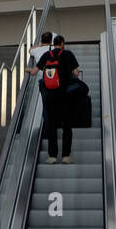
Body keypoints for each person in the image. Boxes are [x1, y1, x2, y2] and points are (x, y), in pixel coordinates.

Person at [31, 34, 79, 163]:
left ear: (53, 43)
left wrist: (28, 70)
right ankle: (66, 156)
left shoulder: (47, 55)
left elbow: (34, 71)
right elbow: (76, 72)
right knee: (67, 126)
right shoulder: (68, 54)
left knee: (51, 126)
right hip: (65, 96)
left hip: (50, 96)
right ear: (62, 43)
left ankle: (52, 156)